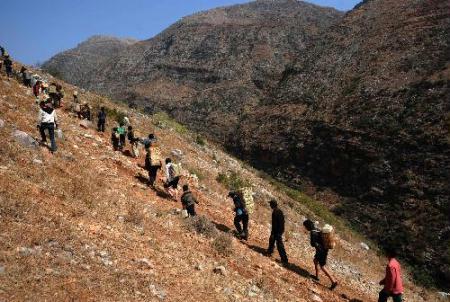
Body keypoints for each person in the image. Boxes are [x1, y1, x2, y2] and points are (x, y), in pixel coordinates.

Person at [303, 219, 338, 290]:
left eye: (305, 227)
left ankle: (333, 281)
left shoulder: (313, 233)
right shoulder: (316, 229)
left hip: (321, 251)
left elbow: (313, 244)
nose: (305, 228)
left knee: (322, 266)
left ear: (308, 226)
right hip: (323, 250)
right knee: (315, 261)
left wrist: (315, 243)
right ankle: (317, 276)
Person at [267, 200, 288, 266]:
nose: (270, 205)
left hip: (277, 231)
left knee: (279, 245)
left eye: (270, 204)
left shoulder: (275, 212)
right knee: (271, 240)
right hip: (278, 230)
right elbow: (282, 222)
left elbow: (277, 223)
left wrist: (277, 232)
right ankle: (269, 252)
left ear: (273, 205)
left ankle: (284, 260)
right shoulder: (279, 211)